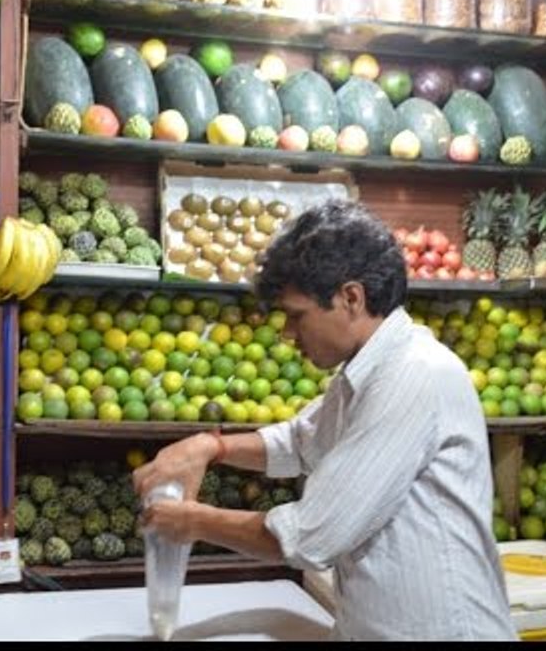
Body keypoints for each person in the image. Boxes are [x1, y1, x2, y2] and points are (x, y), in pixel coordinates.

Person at [134, 199, 518, 641]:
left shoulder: (415, 374)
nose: (288, 334)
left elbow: (313, 535)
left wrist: (193, 521)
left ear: (350, 297)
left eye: (297, 316)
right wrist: (211, 446)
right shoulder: (368, 370)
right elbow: (300, 440)